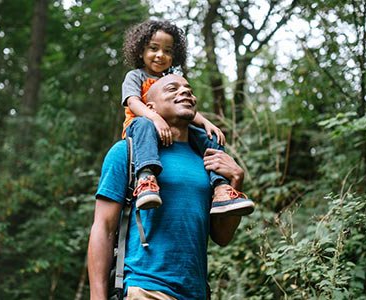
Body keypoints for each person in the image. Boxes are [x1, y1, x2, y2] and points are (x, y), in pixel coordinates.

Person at [88, 74, 252, 299]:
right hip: (145, 287)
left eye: (189, 89)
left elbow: (222, 237)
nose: (185, 92)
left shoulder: (209, 161)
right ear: (151, 107)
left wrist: (235, 180)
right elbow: (103, 228)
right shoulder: (127, 152)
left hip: (197, 292)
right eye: (172, 89)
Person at [121, 19, 254, 215]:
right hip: (141, 129)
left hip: (172, 130)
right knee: (143, 123)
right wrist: (155, 118)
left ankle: (221, 188)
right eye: (154, 48)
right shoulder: (135, 76)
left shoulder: (171, 80)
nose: (160, 55)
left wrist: (206, 123)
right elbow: (133, 102)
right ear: (140, 51)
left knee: (210, 138)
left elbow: (185, 109)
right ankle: (146, 179)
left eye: (167, 51)